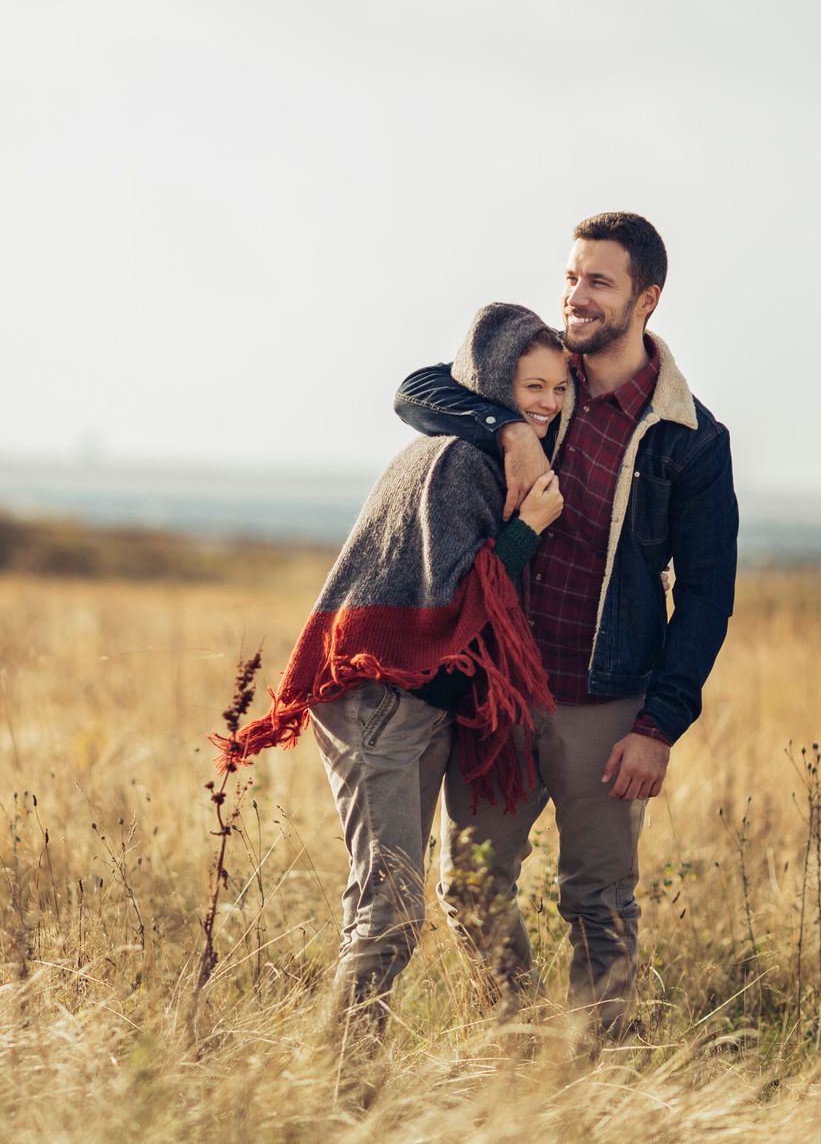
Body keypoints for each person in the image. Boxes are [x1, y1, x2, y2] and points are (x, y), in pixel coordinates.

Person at [393, 212, 738, 1043]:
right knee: (469, 888)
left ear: (645, 300)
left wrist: (659, 724)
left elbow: (706, 595)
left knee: (598, 905)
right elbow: (416, 389)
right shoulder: (536, 381)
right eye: (571, 277)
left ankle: (594, 1084)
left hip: (606, 705)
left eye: (598, 282)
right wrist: (510, 429)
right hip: (499, 692)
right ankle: (522, 1050)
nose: (574, 297)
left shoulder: (690, 438)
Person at [216, 301, 570, 1089]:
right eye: (530, 384)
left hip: (412, 695)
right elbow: (464, 595)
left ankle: (516, 1073)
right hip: (379, 694)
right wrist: (530, 529)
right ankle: (336, 1094)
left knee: (388, 900)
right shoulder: (457, 462)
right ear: (491, 382)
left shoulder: (478, 449)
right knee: (391, 906)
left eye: (557, 387)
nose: (546, 403)